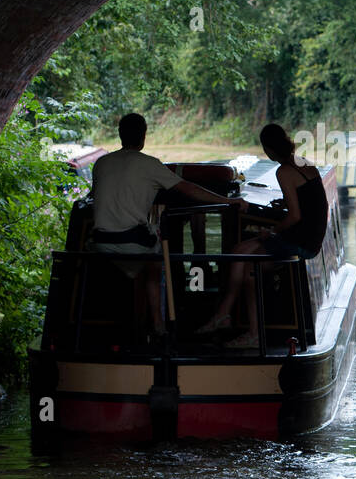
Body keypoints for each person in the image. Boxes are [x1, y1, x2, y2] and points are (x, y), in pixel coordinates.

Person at [89, 113, 245, 336]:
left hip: (100, 244)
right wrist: (228, 201)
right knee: (154, 263)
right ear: (143, 136)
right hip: (132, 244)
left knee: (138, 254)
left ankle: (128, 324)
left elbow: (96, 196)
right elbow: (189, 190)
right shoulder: (150, 165)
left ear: (120, 135)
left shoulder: (101, 163)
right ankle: (160, 325)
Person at [198, 123, 328, 348]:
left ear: (268, 149)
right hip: (312, 234)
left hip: (302, 240)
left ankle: (254, 333)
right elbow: (309, 204)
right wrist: (284, 205)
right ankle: (224, 315)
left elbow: (295, 216)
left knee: (250, 267)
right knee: (238, 252)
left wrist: (272, 231)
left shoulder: (284, 171)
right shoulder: (303, 163)